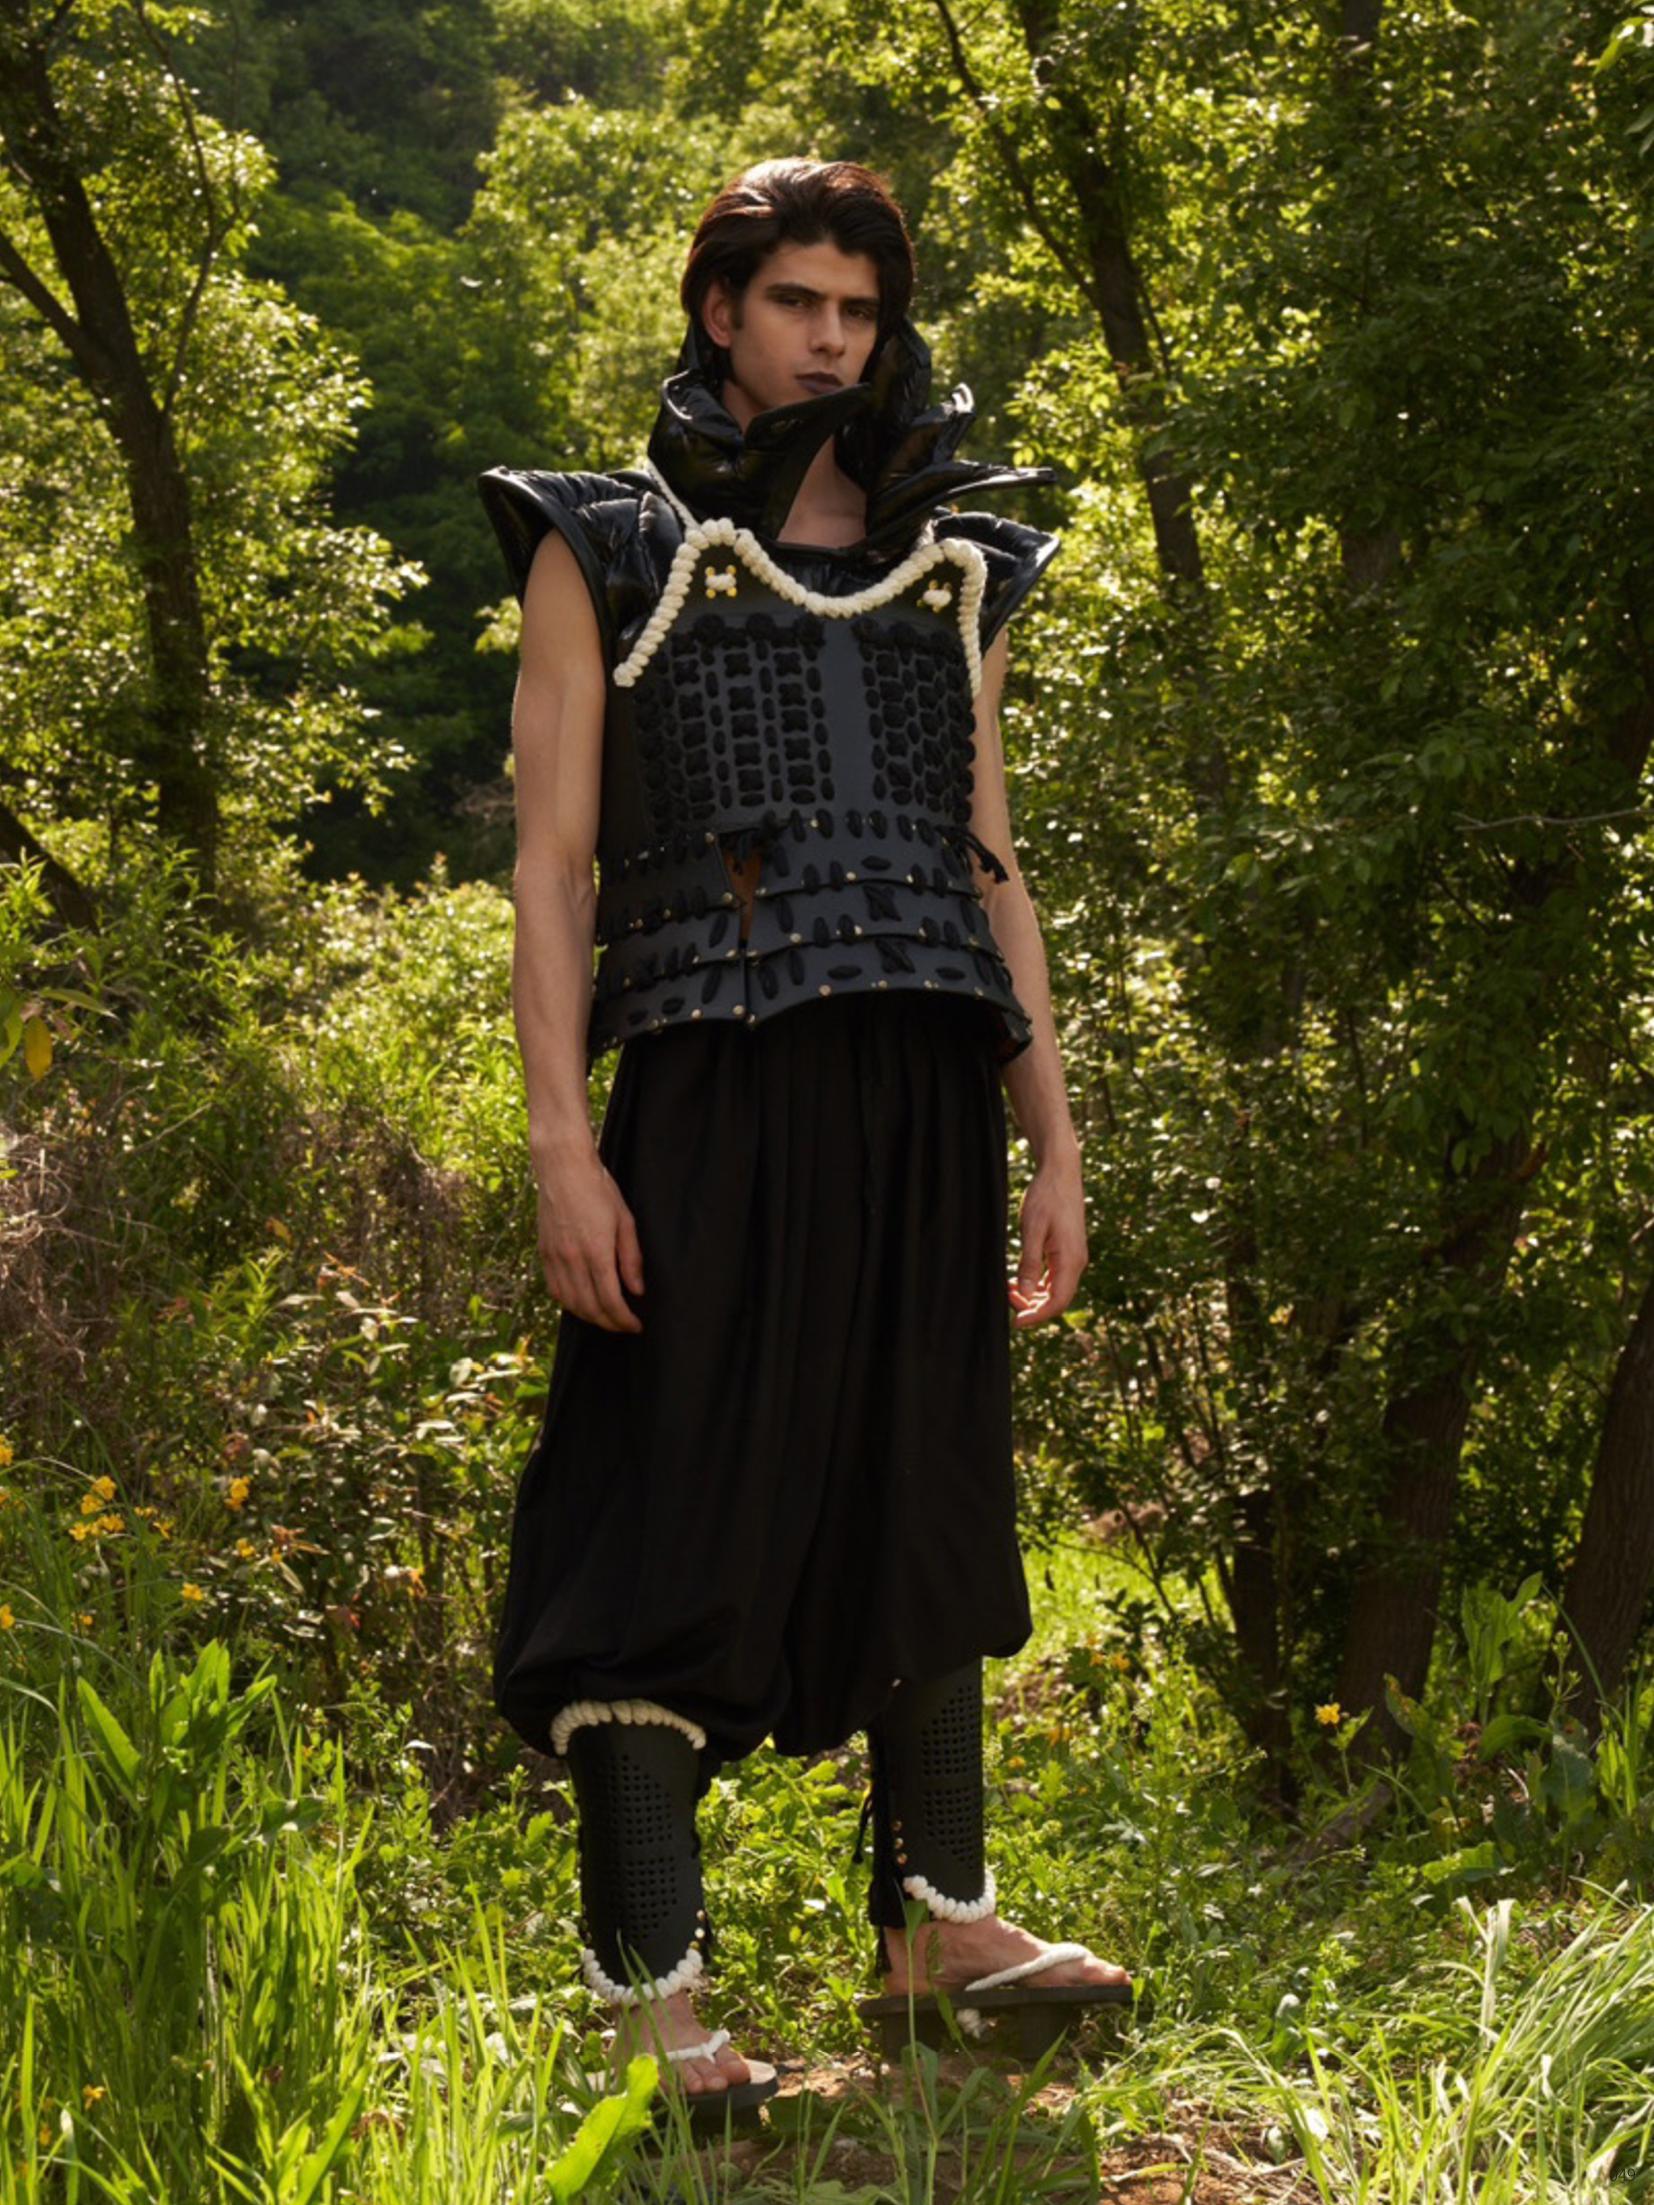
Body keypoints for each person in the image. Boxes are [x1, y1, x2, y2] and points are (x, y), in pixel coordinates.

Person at [477, 157, 1131, 2119]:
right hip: (710, 1071)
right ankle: (650, 1995)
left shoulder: (955, 562)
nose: (831, 339)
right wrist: (560, 1147)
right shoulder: (607, 544)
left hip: (924, 1070)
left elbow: (989, 857)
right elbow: (551, 865)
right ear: (720, 311)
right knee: (663, 1500)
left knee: (925, 1483)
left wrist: (1053, 1136)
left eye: (858, 309)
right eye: (795, 304)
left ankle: (939, 1923)